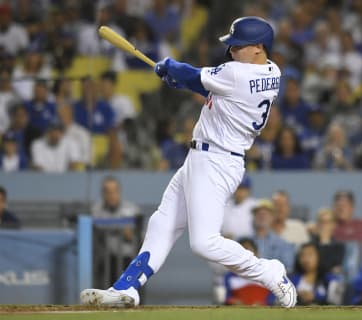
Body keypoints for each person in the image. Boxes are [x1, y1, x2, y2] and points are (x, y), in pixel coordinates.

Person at [80, 16, 297, 308]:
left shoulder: (238, 74)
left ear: (258, 47)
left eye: (238, 46)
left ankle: (269, 272)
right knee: (162, 223)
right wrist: (181, 80)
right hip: (204, 158)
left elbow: (194, 75)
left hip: (217, 161)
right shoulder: (272, 71)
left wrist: (168, 67)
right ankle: (127, 288)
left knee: (204, 242)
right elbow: (214, 90)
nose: (232, 50)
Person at [224, 238, 274, 306]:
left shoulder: (267, 274)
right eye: (241, 252)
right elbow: (227, 298)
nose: (245, 256)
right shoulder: (230, 276)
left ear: (257, 253)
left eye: (248, 251)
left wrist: (263, 304)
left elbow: (273, 298)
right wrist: (234, 302)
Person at [251, 199, 295, 272]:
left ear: (273, 218)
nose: (262, 217)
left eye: (265, 214)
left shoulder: (283, 244)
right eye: (259, 214)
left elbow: (288, 268)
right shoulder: (243, 241)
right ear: (254, 217)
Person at [222, 175, 258, 240]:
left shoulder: (255, 205)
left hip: (249, 243)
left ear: (249, 190)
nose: (240, 192)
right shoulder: (225, 205)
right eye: (238, 188)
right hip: (227, 243)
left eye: (243, 189)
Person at [310, 208, 345, 273]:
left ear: (334, 225)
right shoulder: (310, 243)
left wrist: (324, 241)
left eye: (327, 222)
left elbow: (333, 266)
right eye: (321, 221)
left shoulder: (339, 246)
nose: (323, 225)